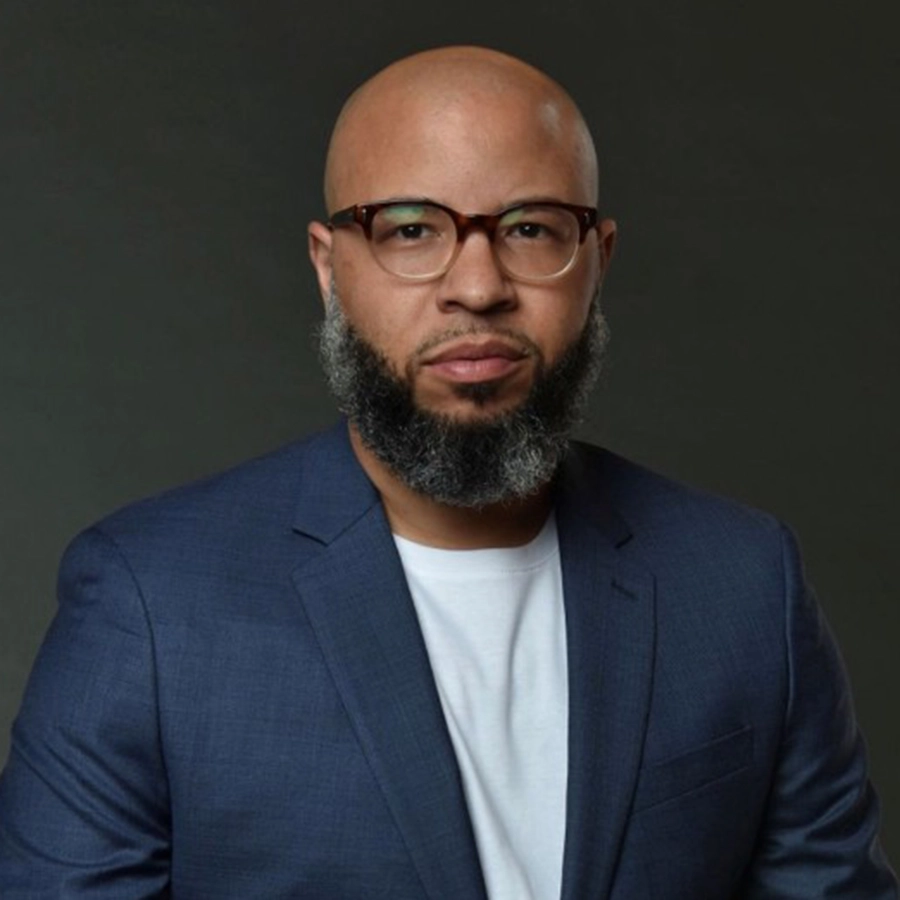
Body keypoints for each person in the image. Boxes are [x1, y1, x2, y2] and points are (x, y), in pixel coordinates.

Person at [0, 45, 895, 900]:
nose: (477, 286)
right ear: (328, 268)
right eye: (412, 228)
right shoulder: (152, 601)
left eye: (532, 228)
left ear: (597, 262)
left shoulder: (742, 585)